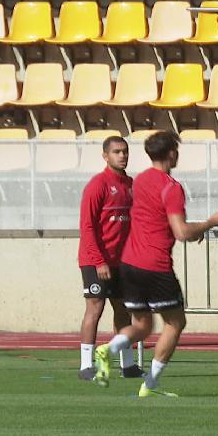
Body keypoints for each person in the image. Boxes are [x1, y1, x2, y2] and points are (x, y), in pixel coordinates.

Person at [93, 131, 218, 396]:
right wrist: (210, 223)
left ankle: (107, 349)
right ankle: (151, 384)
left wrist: (195, 229)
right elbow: (181, 232)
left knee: (144, 326)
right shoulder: (171, 187)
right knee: (175, 323)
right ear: (171, 153)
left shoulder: (140, 180)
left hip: (129, 263)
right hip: (154, 265)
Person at [77, 136, 142, 381]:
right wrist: (99, 261)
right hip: (96, 260)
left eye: (125, 151)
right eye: (116, 152)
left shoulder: (130, 185)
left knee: (123, 309)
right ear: (106, 156)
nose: (122, 156)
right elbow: (87, 226)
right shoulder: (98, 185)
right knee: (95, 307)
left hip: (122, 261)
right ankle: (85, 365)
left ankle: (127, 365)